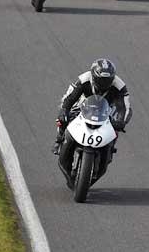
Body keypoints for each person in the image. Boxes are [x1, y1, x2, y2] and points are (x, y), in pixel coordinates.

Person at [53, 59, 133, 187]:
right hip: (83, 104)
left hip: (107, 108)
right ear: (93, 76)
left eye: (107, 81)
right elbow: (69, 98)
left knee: (115, 128)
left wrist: (121, 122)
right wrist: (64, 110)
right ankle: (59, 139)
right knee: (65, 117)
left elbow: (126, 107)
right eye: (101, 80)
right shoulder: (83, 79)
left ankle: (109, 150)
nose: (104, 84)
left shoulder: (119, 86)